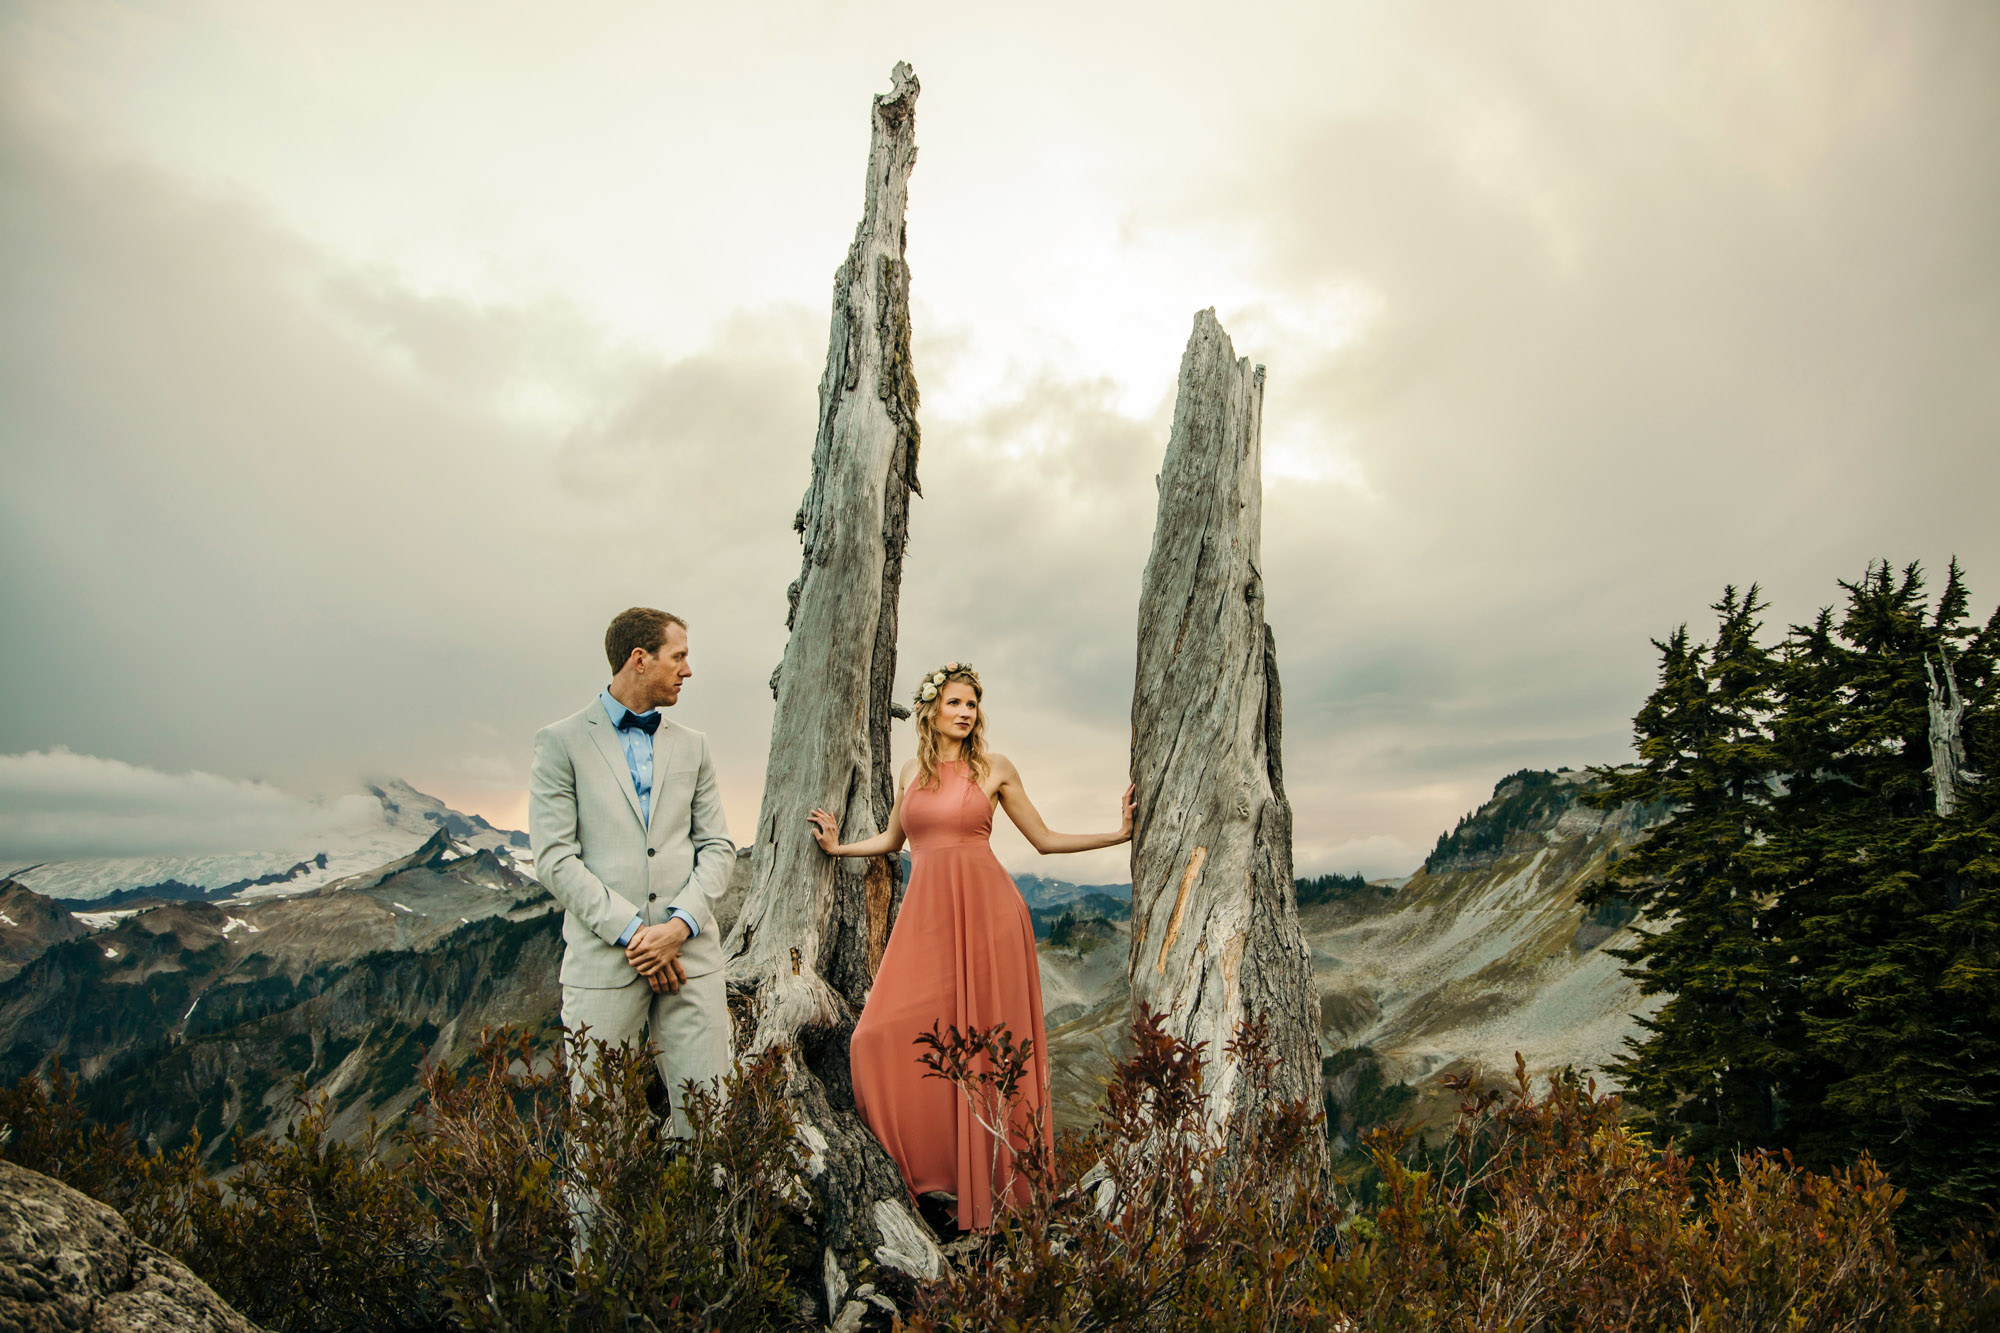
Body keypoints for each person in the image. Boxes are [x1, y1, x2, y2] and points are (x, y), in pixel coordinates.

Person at [809, 662, 1134, 1232]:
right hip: (929, 920)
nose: (965, 712)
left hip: (988, 916)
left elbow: (1045, 840)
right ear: (932, 709)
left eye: (973, 704)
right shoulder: (911, 769)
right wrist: (837, 850)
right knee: (875, 1034)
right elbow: (894, 840)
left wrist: (1118, 833)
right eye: (955, 702)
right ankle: (927, 1173)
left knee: (985, 1046)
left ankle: (992, 1192)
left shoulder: (995, 767)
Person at [529, 607, 735, 1137]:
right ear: (639, 660)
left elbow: (717, 848)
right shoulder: (561, 742)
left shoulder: (695, 746)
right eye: (679, 656)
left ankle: (712, 1220)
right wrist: (637, 935)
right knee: (601, 1134)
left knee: (711, 1118)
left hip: (689, 957)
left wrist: (677, 928)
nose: (687, 670)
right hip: (605, 961)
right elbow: (554, 858)